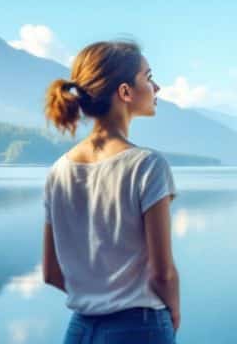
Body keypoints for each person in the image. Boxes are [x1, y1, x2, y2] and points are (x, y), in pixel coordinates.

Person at [42, 40, 179, 343]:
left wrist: (97, 298)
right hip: (139, 328)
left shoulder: (58, 171)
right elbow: (162, 272)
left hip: (79, 330)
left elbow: (51, 272)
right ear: (125, 92)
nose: (157, 87)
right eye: (148, 77)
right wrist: (174, 312)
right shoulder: (147, 165)